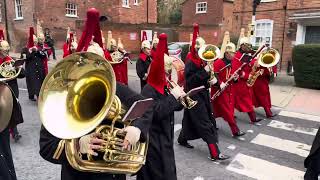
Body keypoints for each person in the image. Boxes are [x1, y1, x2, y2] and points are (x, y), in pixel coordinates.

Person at [39, 8, 153, 180]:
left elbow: (145, 106)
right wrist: (76, 145)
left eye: (99, 63)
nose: (93, 69)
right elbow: (47, 147)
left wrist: (137, 128)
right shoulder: (62, 97)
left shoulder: (118, 89)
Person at [177, 23, 229, 161]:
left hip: (203, 94)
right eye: (199, 49)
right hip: (194, 94)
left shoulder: (203, 61)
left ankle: (182, 139)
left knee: (190, 120)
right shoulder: (190, 62)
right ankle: (214, 153)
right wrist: (204, 72)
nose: (202, 51)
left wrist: (217, 82)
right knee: (205, 123)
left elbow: (211, 74)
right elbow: (191, 81)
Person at [137, 33, 184, 180]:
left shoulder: (165, 87)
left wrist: (180, 98)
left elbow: (174, 107)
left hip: (166, 137)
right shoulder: (148, 89)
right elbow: (156, 112)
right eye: (166, 73)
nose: (168, 77)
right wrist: (173, 97)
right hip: (153, 142)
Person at [211, 43, 245, 137]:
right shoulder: (218, 63)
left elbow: (233, 75)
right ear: (226, 53)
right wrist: (219, 83)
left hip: (229, 90)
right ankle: (235, 130)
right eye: (232, 53)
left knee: (220, 110)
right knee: (225, 110)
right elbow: (214, 75)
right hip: (219, 90)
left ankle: (211, 125)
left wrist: (235, 78)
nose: (234, 55)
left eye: (234, 53)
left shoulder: (233, 62)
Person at [0, 30, 25, 142]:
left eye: (7, 50)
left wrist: (18, 68)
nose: (6, 53)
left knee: (12, 110)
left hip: (12, 90)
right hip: (1, 90)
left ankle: (15, 132)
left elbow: (22, 74)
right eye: (4, 51)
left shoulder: (11, 60)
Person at [232, 37, 263, 124]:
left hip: (244, 82)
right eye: (247, 46)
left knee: (235, 100)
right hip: (239, 82)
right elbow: (236, 71)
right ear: (242, 46)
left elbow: (250, 64)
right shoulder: (237, 56)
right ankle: (253, 118)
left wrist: (255, 63)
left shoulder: (246, 55)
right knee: (246, 101)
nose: (248, 48)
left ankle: (229, 113)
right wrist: (247, 75)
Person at [25, 27, 47, 101]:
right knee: (33, 83)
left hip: (39, 68)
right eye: (33, 42)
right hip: (31, 69)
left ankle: (39, 96)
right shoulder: (25, 49)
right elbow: (26, 57)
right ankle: (33, 96)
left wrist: (37, 51)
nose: (35, 43)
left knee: (40, 82)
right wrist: (30, 51)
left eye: (35, 42)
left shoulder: (38, 48)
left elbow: (44, 56)